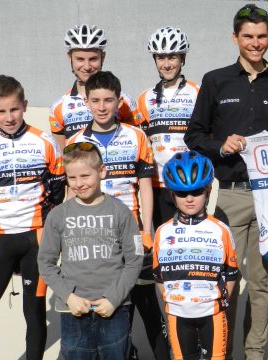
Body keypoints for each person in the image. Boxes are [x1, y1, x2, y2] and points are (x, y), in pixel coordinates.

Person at [184, 4, 268, 359]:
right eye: (248, 37)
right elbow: (194, 135)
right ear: (235, 38)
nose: (255, 43)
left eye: (261, 37)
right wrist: (220, 145)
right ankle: (220, 349)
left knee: (260, 283)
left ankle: (255, 352)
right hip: (228, 195)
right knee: (224, 280)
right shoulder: (215, 80)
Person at [65, 71, 160, 358]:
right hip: (92, 232)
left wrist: (147, 228)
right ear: (86, 102)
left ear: (119, 101)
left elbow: (145, 185)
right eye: (96, 100)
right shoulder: (77, 140)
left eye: (108, 100)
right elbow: (71, 191)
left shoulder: (136, 136)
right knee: (109, 306)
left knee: (145, 301)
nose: (102, 106)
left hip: (130, 228)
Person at [0, 75, 65, 360]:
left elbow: (57, 186)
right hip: (1, 240)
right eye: (1, 111)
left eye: (14, 109)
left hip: (36, 238)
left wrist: (47, 226)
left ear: (24, 105)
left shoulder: (44, 141)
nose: (9, 117)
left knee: (33, 313)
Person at [38, 141, 143, 359]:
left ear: (101, 171)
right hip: (73, 311)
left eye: (85, 176)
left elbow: (135, 260)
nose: (79, 183)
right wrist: (69, 297)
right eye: (72, 177)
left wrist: (114, 298)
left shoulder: (121, 212)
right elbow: (46, 263)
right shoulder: (58, 215)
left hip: (114, 309)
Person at [153, 151, 239, 360]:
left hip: (213, 313)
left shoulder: (221, 230)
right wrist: (175, 302)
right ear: (172, 195)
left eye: (196, 191)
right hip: (177, 314)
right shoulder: (162, 232)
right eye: (182, 193)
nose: (189, 199)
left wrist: (219, 302)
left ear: (207, 191)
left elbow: (232, 274)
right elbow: (159, 276)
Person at [137, 26, 199, 229]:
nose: (166, 64)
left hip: (190, 182)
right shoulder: (144, 98)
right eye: (161, 58)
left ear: (182, 59)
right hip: (158, 184)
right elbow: (143, 142)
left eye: (172, 57)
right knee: (164, 240)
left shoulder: (198, 92)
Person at [50, 24, 138, 153]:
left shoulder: (125, 102)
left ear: (103, 57)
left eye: (93, 59)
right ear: (70, 58)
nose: (87, 66)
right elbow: (63, 159)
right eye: (80, 59)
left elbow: (137, 144)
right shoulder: (58, 107)